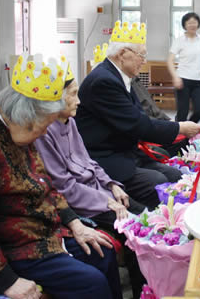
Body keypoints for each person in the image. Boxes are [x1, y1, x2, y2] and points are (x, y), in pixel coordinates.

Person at [0, 55, 122, 299]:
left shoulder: (18, 128)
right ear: (26, 116)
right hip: (12, 244)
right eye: (43, 125)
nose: (43, 133)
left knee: (103, 254)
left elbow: (44, 183)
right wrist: (6, 280)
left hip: (42, 230)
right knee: (91, 283)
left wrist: (74, 222)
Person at [35, 76, 145, 299]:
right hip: (84, 203)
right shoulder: (44, 133)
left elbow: (89, 162)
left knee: (146, 216)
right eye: (73, 94)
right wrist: (107, 201)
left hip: (100, 192)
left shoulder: (70, 122)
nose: (79, 101)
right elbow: (64, 187)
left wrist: (112, 185)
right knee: (136, 234)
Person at [75, 21, 200, 210]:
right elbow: (137, 124)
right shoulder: (103, 81)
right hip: (106, 157)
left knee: (174, 175)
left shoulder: (119, 76)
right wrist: (180, 128)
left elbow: (139, 116)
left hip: (127, 150)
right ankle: (153, 221)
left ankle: (174, 217)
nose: (143, 60)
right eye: (141, 55)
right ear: (122, 54)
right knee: (157, 182)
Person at [167, 12, 200, 122]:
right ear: (184, 25)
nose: (192, 25)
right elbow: (170, 60)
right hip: (183, 79)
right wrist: (175, 77)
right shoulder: (179, 40)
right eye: (189, 23)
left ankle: (189, 128)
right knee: (182, 113)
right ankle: (180, 135)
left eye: (194, 22)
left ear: (198, 24)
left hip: (199, 81)